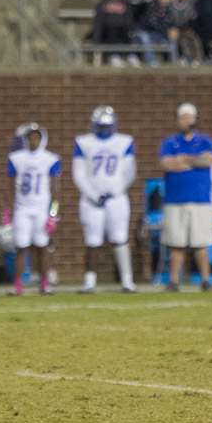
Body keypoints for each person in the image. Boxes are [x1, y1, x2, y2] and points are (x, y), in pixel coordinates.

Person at [73, 106, 136, 294]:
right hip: (92, 199)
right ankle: (89, 282)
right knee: (92, 241)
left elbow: (129, 172)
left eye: (107, 126)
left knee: (120, 239)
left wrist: (115, 190)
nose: (104, 130)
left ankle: (127, 281)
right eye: (101, 126)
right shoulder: (84, 142)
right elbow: (79, 174)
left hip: (116, 198)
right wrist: (94, 195)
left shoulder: (124, 142)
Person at [158, 103, 212, 293]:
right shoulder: (169, 142)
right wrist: (194, 160)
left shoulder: (206, 141)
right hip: (175, 200)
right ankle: (174, 280)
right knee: (177, 244)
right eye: (182, 117)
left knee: (201, 243)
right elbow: (167, 164)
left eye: (188, 117)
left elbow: (207, 161)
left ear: (195, 119)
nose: (186, 121)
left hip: (200, 199)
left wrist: (183, 159)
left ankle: (205, 280)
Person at [5, 123, 61, 296]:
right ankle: (18, 285)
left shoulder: (49, 158)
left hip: (41, 209)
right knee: (21, 246)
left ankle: (44, 284)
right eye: (30, 138)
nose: (33, 142)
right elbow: (9, 187)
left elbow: (55, 191)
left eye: (36, 138)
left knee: (43, 246)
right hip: (22, 208)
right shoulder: (17, 158)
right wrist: (8, 210)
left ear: (42, 140)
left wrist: (53, 214)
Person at [90, 0, 136, 68]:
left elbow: (129, 20)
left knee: (130, 33)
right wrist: (96, 37)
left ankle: (130, 55)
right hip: (107, 31)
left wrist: (130, 30)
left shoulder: (125, 4)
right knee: (112, 30)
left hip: (122, 30)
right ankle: (114, 56)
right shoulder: (103, 4)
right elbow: (98, 22)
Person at [134, 0, 179, 66]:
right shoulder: (151, 7)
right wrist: (167, 31)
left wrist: (174, 29)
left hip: (160, 34)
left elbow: (172, 23)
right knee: (144, 36)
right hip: (147, 33)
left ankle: (173, 62)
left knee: (173, 35)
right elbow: (152, 24)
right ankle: (152, 62)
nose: (164, 0)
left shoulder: (170, 9)